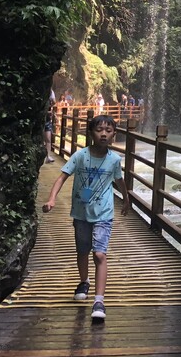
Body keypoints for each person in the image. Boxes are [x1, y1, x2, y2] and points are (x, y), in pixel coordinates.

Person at [41, 114, 130, 322]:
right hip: (81, 213)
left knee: (99, 254)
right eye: (99, 130)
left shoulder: (115, 160)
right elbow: (62, 176)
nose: (104, 134)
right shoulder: (80, 156)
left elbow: (119, 180)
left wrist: (126, 199)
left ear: (114, 135)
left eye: (108, 131)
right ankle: (84, 281)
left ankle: (99, 300)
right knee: (83, 250)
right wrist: (52, 199)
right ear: (91, 133)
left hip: (104, 214)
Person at [44, 89, 56, 163]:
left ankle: (48, 156)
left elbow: (54, 102)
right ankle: (43, 156)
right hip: (41, 119)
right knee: (42, 139)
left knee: (48, 138)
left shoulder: (51, 91)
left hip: (47, 119)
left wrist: (49, 111)